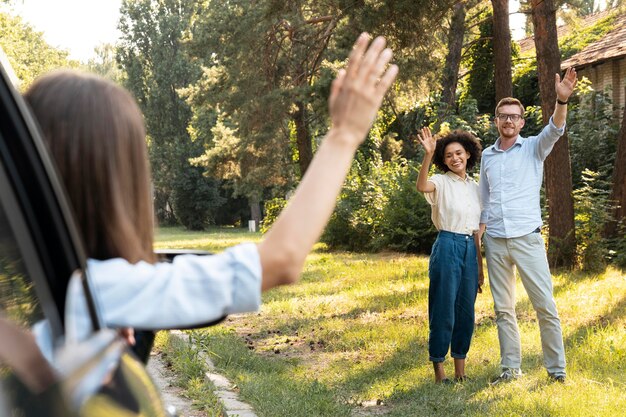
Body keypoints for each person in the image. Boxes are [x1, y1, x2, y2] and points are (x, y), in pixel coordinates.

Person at [24, 34, 398, 344]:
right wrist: (344, 134)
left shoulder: (33, 278)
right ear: (115, 181)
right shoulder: (101, 290)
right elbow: (281, 259)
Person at [478, 68, 578, 385]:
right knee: (503, 310)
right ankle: (510, 369)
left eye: (514, 117)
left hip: (527, 239)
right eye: (503, 116)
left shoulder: (534, 147)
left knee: (545, 306)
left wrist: (561, 100)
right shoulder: (486, 156)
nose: (508, 121)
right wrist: (477, 243)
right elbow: (483, 200)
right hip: (494, 241)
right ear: (496, 121)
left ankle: (556, 371)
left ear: (522, 122)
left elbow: (555, 129)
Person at [416, 127, 483, 383]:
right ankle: (439, 369)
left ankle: (461, 371)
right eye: (448, 155)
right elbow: (422, 186)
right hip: (447, 245)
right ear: (443, 161)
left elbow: (479, 225)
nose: (454, 158)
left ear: (468, 153)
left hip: (470, 248)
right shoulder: (440, 182)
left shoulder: (476, 188)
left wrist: (478, 263)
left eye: (458, 153)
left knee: (466, 310)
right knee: (443, 307)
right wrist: (428, 154)